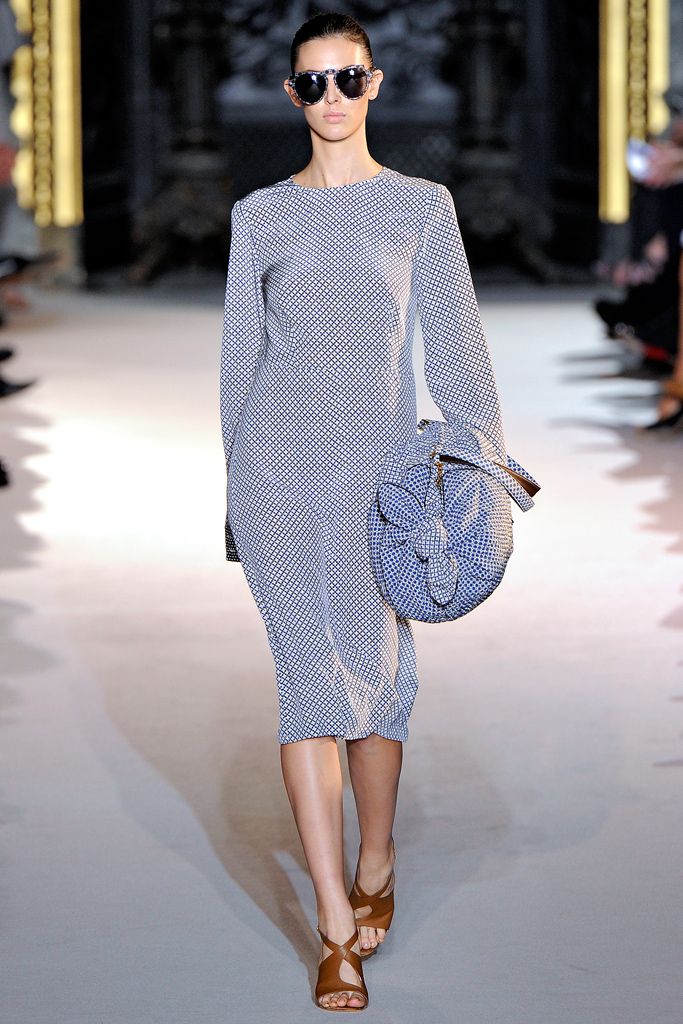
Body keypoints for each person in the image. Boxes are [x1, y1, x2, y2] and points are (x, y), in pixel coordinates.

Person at [219, 12, 508, 1011]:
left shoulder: (420, 207)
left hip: (378, 478)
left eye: (347, 78)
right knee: (309, 687)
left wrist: (476, 474)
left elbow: (457, 349)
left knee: (379, 682)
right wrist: (234, 494)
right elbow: (239, 365)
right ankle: (334, 924)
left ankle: (376, 856)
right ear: (291, 94)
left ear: (374, 83)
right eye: (312, 83)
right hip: (276, 475)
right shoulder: (259, 216)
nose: (331, 97)